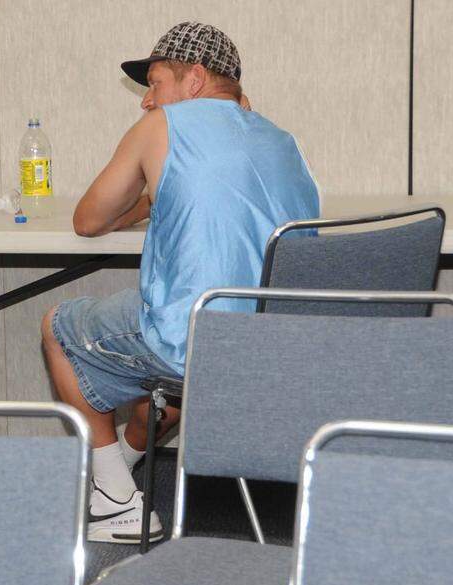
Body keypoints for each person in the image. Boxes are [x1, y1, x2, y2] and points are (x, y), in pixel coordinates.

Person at [41, 22, 319, 543]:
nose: (148, 101)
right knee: (174, 367)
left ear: (193, 79)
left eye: (156, 82)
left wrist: (140, 197)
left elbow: (88, 219)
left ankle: (117, 503)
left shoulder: (165, 126)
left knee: (59, 327)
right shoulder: (286, 141)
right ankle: (117, 472)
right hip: (279, 347)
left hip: (198, 342)